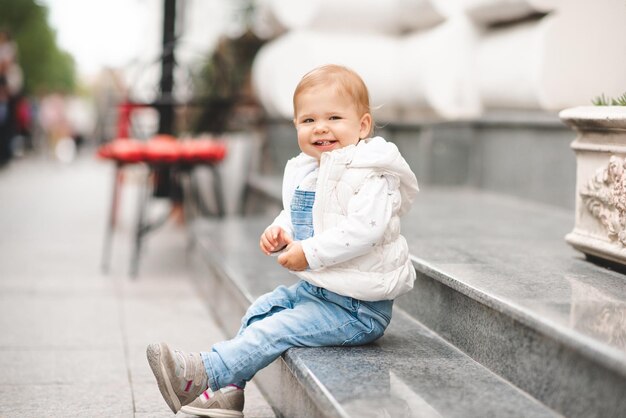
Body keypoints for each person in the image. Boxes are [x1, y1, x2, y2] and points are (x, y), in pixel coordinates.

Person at [146, 64, 419, 417]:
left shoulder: (372, 174)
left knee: (279, 328)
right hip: (319, 291)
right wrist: (281, 231)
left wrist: (308, 252)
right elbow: (297, 214)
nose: (320, 127)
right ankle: (230, 392)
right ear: (295, 126)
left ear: (362, 125)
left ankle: (201, 374)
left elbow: (365, 231)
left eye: (334, 117)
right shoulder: (309, 170)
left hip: (358, 308)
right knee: (262, 311)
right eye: (308, 121)